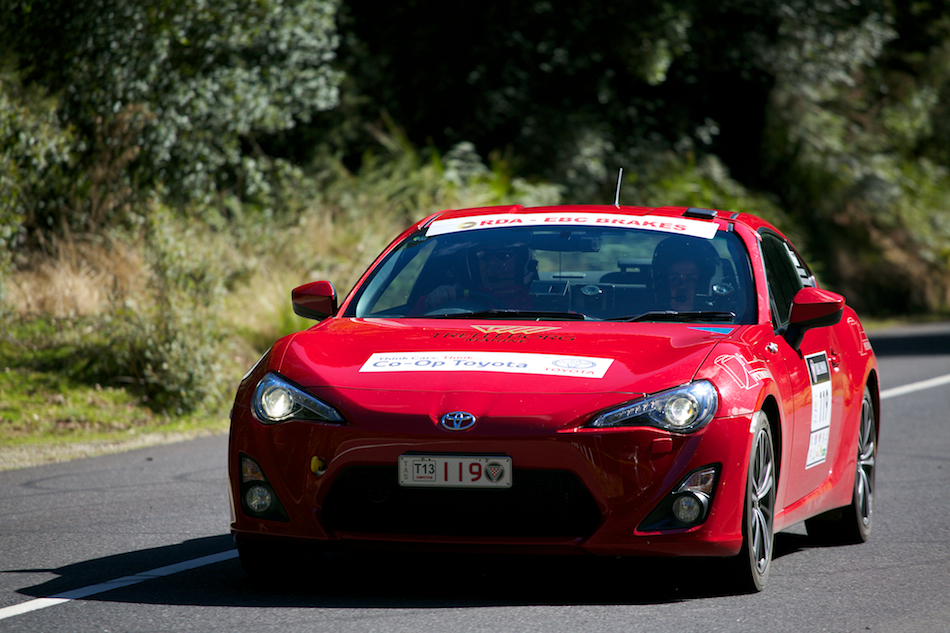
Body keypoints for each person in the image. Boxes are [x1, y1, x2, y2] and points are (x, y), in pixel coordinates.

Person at [419, 240, 536, 312]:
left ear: (522, 262)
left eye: (504, 255)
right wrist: (432, 300)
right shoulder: (457, 298)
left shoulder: (538, 302)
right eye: (484, 255)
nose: (493, 263)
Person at [651, 235, 719, 311]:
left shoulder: (724, 320)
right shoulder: (643, 319)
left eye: (690, 279)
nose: (682, 286)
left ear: (703, 285)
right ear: (664, 285)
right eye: (675, 278)